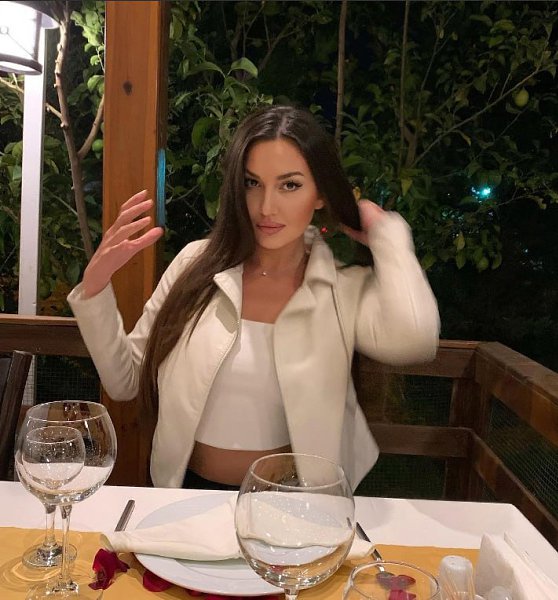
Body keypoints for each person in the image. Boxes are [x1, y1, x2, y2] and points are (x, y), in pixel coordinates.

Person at [68, 105, 440, 491]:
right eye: (252, 183)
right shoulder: (195, 267)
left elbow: (415, 336)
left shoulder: (340, 288)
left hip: (293, 503)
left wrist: (388, 234)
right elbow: (125, 381)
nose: (266, 207)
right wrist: (95, 286)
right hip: (186, 496)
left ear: (319, 194)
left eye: (289, 185)